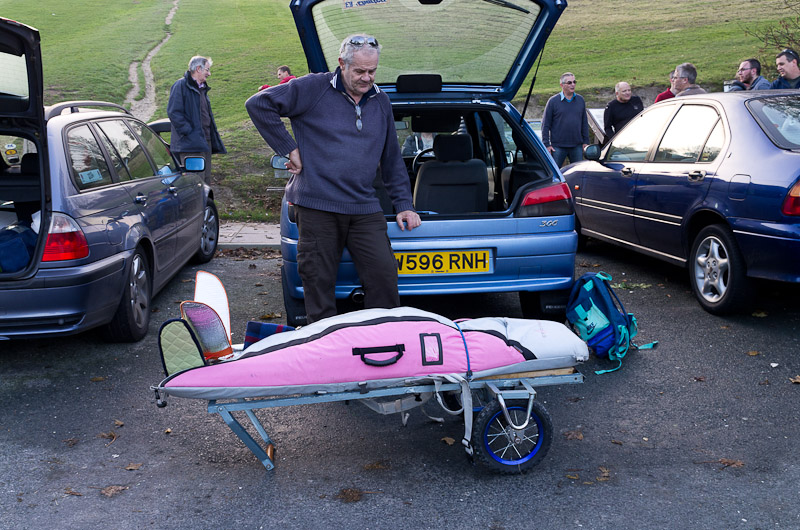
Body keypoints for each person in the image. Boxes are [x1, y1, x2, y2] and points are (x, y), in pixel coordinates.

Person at [245, 34, 421, 324]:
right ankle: (323, 350)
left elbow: (391, 158)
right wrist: (289, 148)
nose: (367, 79)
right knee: (318, 285)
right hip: (317, 206)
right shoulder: (313, 88)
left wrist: (404, 203)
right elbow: (259, 104)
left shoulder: (381, 101)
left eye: (372, 71)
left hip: (363, 207)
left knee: (383, 279)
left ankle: (383, 343)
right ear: (342, 64)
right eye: (360, 71)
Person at [167, 56, 226, 184]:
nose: (209, 74)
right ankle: (196, 204)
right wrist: (189, 132)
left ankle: (205, 204)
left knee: (206, 180)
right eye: (207, 70)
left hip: (205, 141)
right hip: (190, 144)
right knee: (195, 182)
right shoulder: (180, 85)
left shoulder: (202, 88)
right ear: (198, 69)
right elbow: (174, 112)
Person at [541, 72, 589, 167]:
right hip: (558, 147)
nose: (573, 85)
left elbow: (584, 122)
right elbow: (545, 124)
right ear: (562, 85)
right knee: (556, 174)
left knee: (578, 173)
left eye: (574, 82)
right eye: (569, 82)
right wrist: (546, 144)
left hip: (577, 146)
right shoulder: (553, 101)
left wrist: (586, 142)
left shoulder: (580, 100)